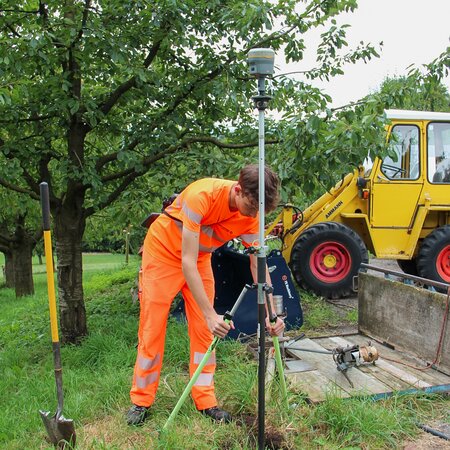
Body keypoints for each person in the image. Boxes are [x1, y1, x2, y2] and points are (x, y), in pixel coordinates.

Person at [126, 164, 285, 426]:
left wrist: (272, 313)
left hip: (199, 258)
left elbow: (259, 264)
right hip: (164, 254)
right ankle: (141, 401)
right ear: (237, 190)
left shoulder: (253, 215)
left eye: (260, 211)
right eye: (251, 207)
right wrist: (211, 313)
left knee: (205, 332)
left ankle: (206, 400)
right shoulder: (201, 196)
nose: (254, 215)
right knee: (152, 328)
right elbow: (185, 262)